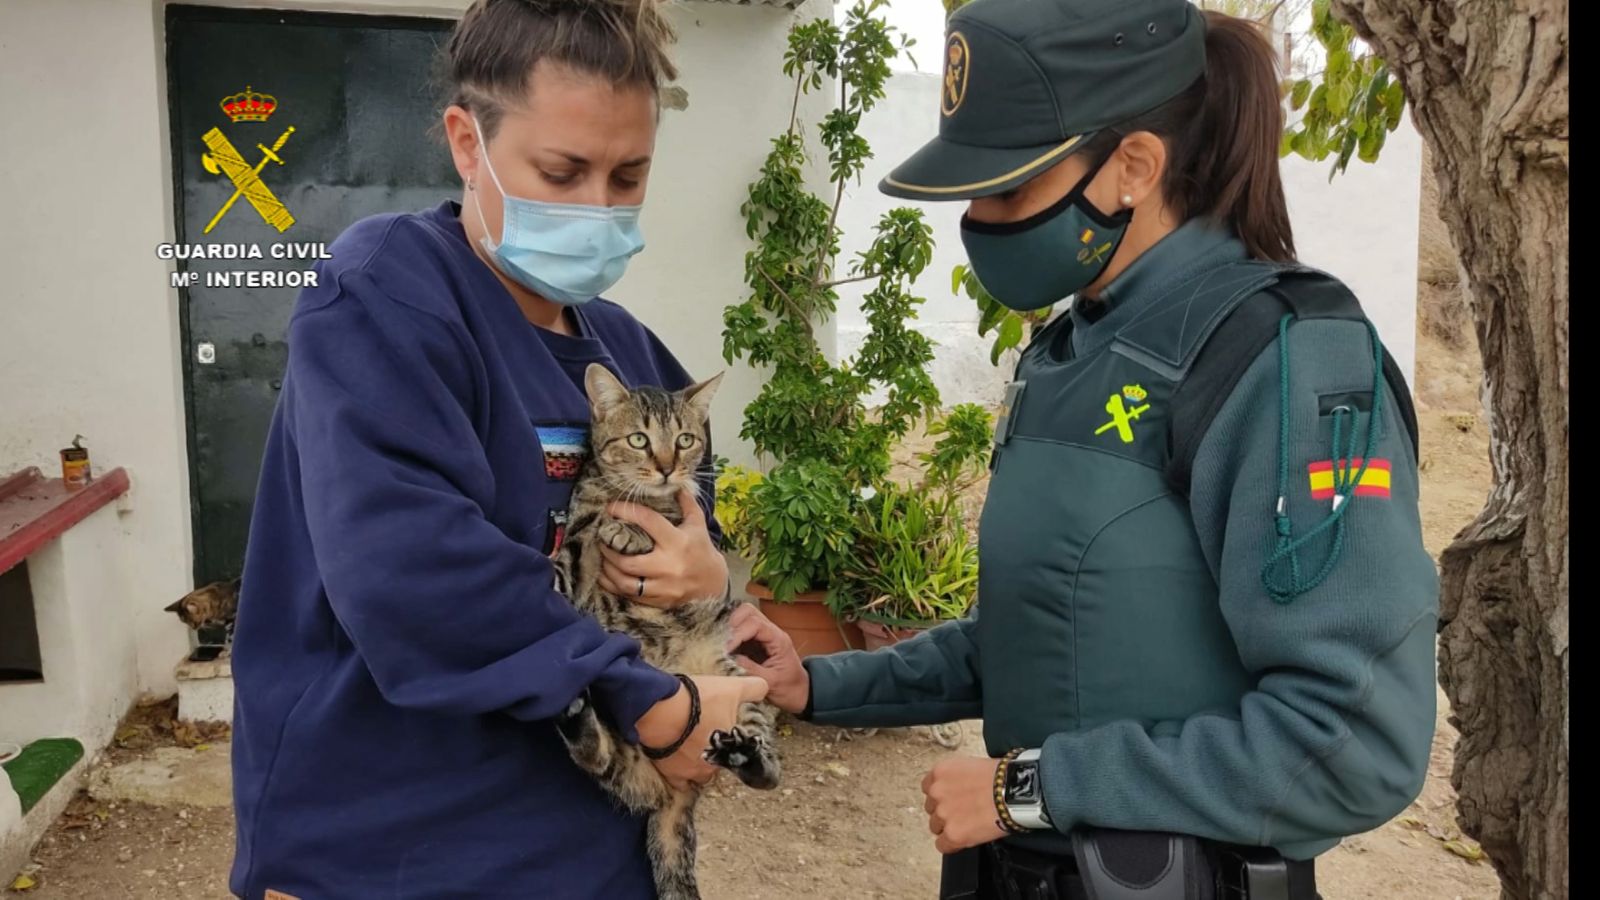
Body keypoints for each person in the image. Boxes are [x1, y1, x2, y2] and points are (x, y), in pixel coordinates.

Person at [729, 0, 1439, 898]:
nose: (978, 220)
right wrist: (819, 685)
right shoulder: (1069, 349)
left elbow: (1351, 742)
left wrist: (1033, 789)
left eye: (1009, 190)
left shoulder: (1281, 357)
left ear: (1133, 167)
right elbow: (1039, 635)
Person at [227, 0, 767, 896]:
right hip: (397, 856)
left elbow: (693, 526)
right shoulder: (386, 296)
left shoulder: (626, 350)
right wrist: (654, 707)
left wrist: (712, 584)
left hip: (594, 853)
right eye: (562, 171)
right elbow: (414, 569)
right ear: (467, 143)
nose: (598, 207)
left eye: (629, 175)